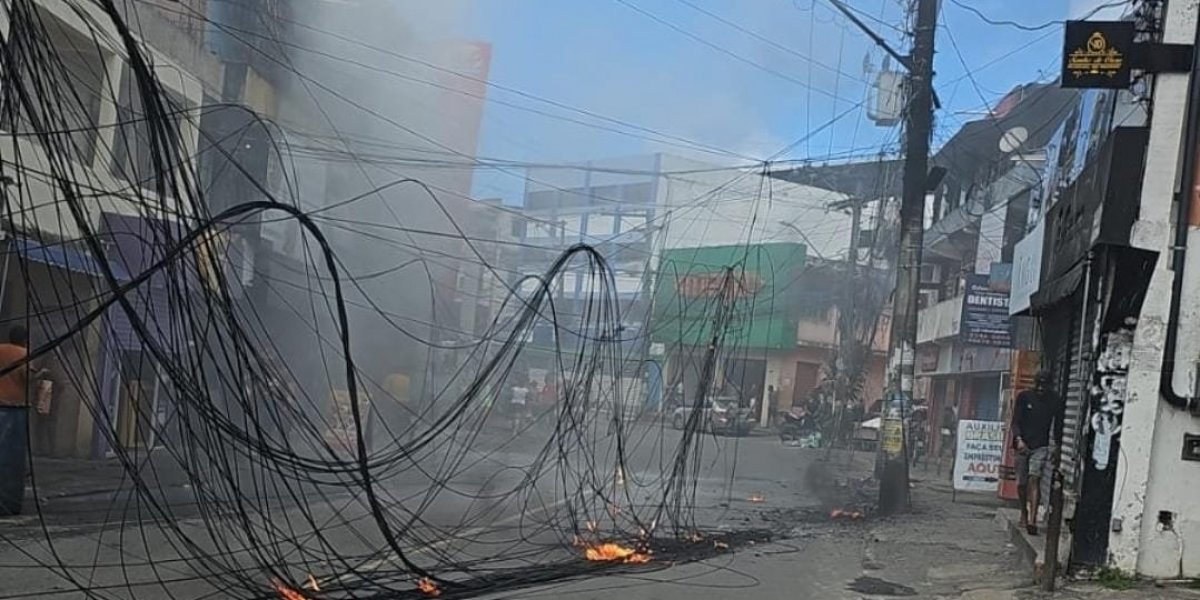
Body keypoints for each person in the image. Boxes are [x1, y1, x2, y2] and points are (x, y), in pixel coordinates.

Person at [1012, 371, 1063, 536]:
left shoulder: (1055, 401)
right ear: (1034, 384)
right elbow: (1015, 422)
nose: (1041, 388)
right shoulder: (1024, 397)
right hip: (1022, 445)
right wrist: (1018, 439)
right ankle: (1024, 513)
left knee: (1035, 479)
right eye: (1038, 385)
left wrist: (1057, 447)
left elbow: (1059, 427)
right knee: (1021, 483)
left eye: (1044, 385)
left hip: (1040, 446)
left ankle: (1032, 519)